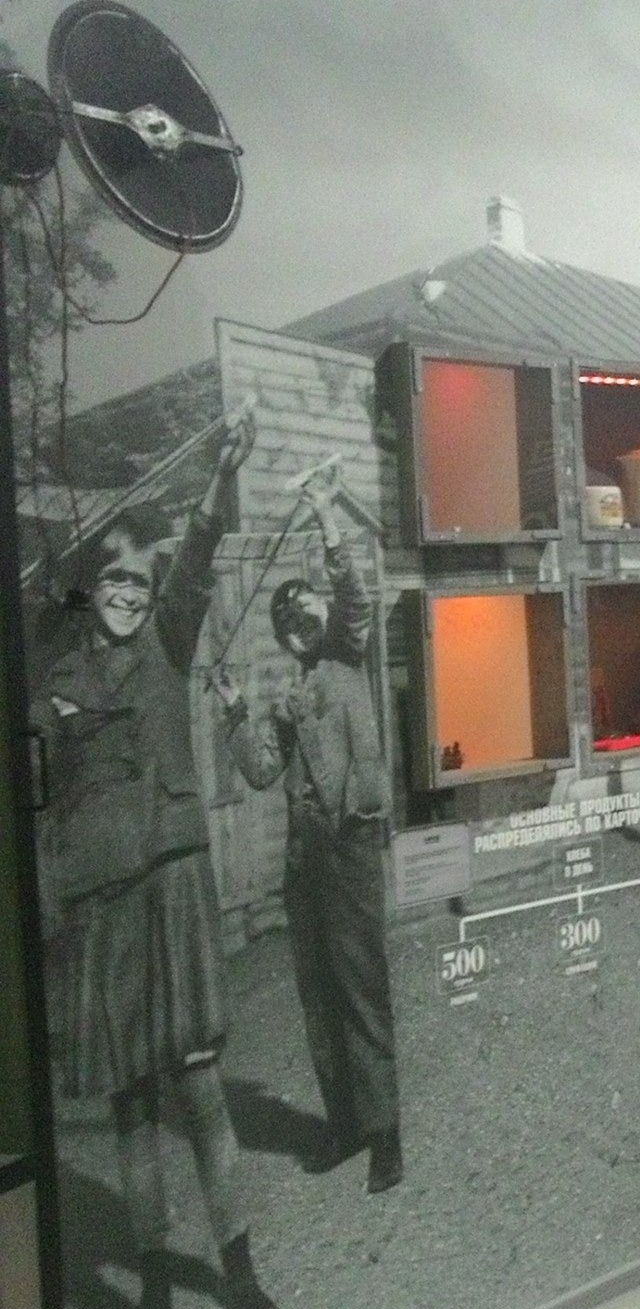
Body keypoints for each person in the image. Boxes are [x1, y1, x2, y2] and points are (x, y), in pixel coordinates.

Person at [36, 414, 288, 1309]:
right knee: (131, 1113)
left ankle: (241, 1280)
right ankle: (151, 1300)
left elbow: (199, 554)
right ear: (90, 589)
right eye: (114, 581)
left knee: (201, 1094)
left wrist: (222, 475)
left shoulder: (169, 645)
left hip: (172, 892)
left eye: (140, 583)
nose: (130, 595)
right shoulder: (54, 681)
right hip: (100, 909)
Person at [217, 462, 402, 1196]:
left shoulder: (347, 653)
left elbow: (356, 595)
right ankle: (345, 1125)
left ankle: (386, 1137)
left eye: (305, 614)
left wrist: (326, 514)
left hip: (351, 848)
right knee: (318, 999)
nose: (298, 626)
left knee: (361, 993)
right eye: (285, 623)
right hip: (306, 862)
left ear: (323, 615)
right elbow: (262, 770)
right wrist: (235, 710)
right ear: (282, 639)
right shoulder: (291, 693)